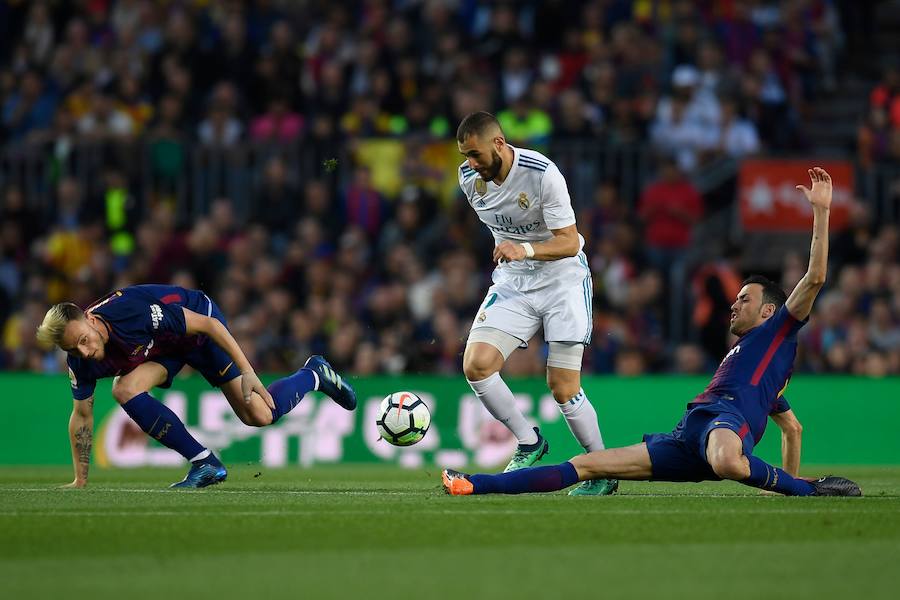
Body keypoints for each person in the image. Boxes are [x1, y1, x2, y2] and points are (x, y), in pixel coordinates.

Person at [443, 167, 862, 498]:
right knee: (588, 465)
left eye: (744, 299)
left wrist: (821, 211)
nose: (734, 304)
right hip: (687, 436)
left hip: (725, 427)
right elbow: (792, 428)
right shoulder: (755, 365)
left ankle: (809, 490)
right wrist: (784, 482)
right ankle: (476, 484)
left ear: (770, 311)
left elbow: (815, 277)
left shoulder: (778, 332)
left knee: (728, 461)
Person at [36, 284, 356, 489]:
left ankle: (314, 373)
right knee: (125, 388)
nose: (85, 352)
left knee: (258, 415)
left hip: (198, 330)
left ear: (90, 319)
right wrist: (80, 480)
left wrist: (247, 371)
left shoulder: (130, 314)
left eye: (83, 341)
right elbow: (81, 415)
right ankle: (205, 463)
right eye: (73, 350)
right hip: (165, 348)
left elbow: (208, 324)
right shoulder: (79, 359)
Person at [455, 111, 615, 496]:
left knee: (562, 386)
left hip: (562, 280)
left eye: (475, 155)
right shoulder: (467, 179)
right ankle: (529, 442)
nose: (471, 164)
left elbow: (571, 241)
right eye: (465, 155)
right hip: (515, 280)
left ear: (499, 143)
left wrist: (523, 248)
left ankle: (602, 469)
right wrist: (516, 255)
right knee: (476, 366)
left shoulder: (542, 174)